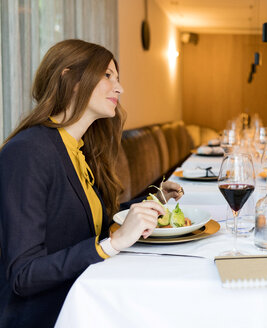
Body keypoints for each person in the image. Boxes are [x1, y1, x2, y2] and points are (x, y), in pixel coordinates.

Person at [0, 39, 183, 327]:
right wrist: (114, 243)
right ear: (69, 78)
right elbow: (24, 275)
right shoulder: (28, 152)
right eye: (107, 75)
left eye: (118, 78)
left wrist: (152, 199)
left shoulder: (78, 149)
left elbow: (84, 223)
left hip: (87, 294)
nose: (119, 88)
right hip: (52, 313)